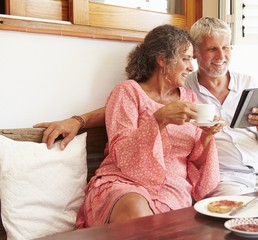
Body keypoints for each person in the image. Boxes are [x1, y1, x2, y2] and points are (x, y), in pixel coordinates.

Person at [34, 17, 258, 197]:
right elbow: (129, 104)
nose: (221, 55)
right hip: (226, 180)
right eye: (212, 48)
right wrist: (78, 120)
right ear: (196, 55)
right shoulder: (184, 86)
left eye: (226, 47)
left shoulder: (249, 84)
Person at [71, 24, 221, 228]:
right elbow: (121, 153)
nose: (191, 67)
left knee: (154, 225)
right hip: (125, 183)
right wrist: (159, 120)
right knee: (135, 207)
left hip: (171, 189)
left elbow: (195, 160)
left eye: (191, 59)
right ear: (162, 59)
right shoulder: (128, 92)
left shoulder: (189, 98)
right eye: (185, 58)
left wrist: (207, 135)